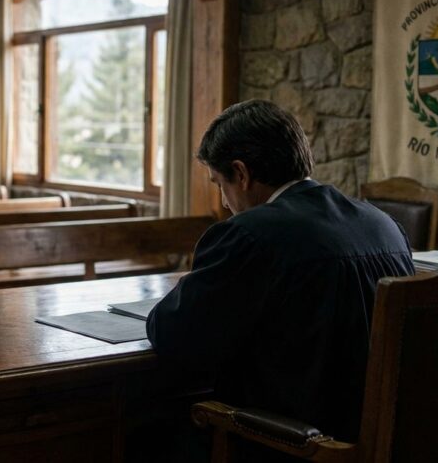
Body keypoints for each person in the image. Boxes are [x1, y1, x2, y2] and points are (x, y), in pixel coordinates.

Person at [145, 100, 415, 462]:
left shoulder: (250, 235)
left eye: (219, 184)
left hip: (289, 444)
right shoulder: (384, 225)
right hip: (379, 443)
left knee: (147, 429)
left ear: (241, 174)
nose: (224, 203)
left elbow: (174, 335)